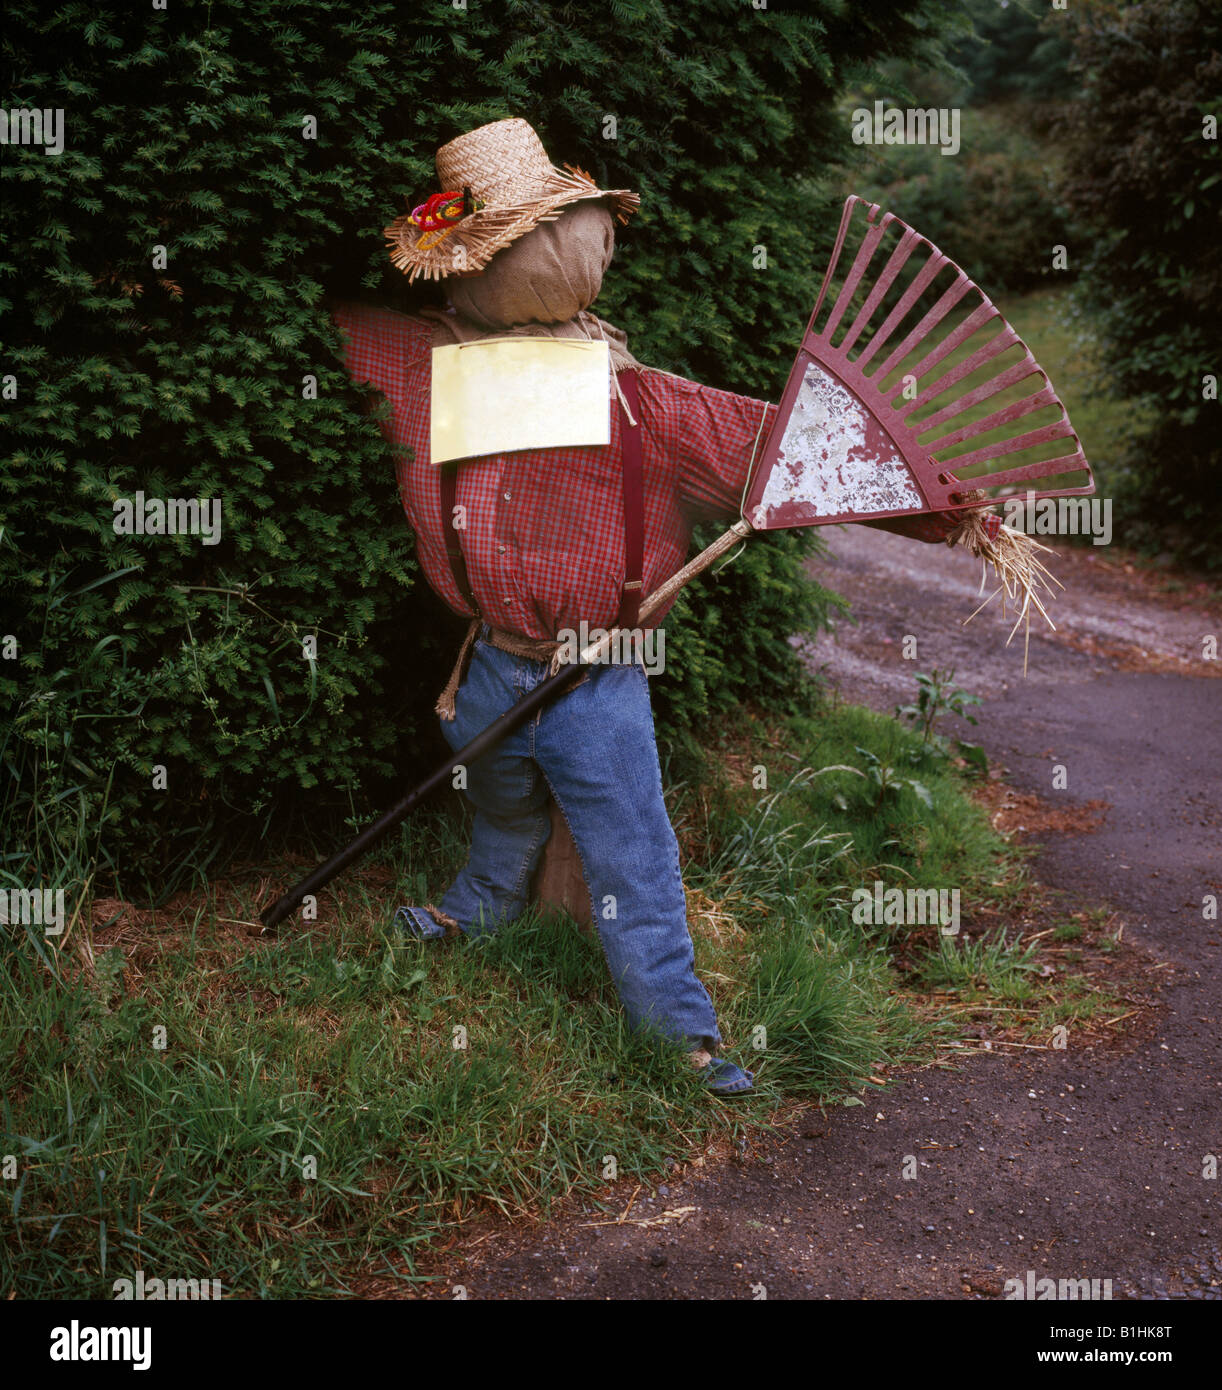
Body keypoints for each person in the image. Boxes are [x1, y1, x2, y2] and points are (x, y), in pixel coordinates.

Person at [331, 118, 965, 1094]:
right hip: (495, 658)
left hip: (593, 673)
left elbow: (774, 449)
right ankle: (484, 903)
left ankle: (677, 1026)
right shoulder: (424, 367)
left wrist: (946, 506)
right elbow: (336, 332)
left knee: (631, 845)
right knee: (495, 795)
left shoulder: (640, 399)